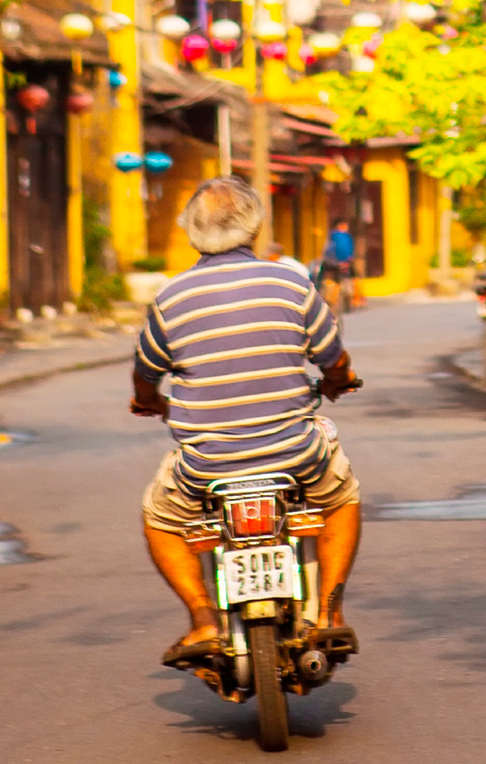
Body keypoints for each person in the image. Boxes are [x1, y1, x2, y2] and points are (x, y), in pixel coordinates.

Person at [130, 176, 364, 670]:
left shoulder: (170, 299)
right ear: (255, 227)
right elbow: (333, 359)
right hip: (296, 456)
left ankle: (203, 618)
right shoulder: (291, 283)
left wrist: (148, 400)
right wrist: (340, 380)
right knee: (341, 500)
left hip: (207, 465)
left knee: (160, 518)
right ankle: (326, 611)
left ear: (194, 233)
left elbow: (145, 372)